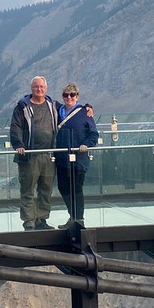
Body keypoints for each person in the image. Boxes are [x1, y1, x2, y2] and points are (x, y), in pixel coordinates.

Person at [9, 76, 58, 230]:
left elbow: (69, 110)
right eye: (36, 87)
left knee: (46, 189)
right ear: (31, 88)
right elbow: (15, 126)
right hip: (29, 155)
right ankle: (29, 221)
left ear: (46, 88)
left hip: (49, 154)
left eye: (42, 87)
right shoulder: (22, 106)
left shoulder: (52, 105)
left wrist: (87, 107)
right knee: (28, 189)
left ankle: (41, 219)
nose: (39, 89)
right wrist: (19, 145)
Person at [54, 83, 99, 228]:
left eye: (72, 95)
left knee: (77, 189)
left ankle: (79, 219)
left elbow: (93, 134)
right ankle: (73, 216)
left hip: (78, 159)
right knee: (63, 187)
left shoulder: (85, 113)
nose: (69, 97)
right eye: (66, 95)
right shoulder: (57, 110)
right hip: (62, 158)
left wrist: (86, 145)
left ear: (77, 96)